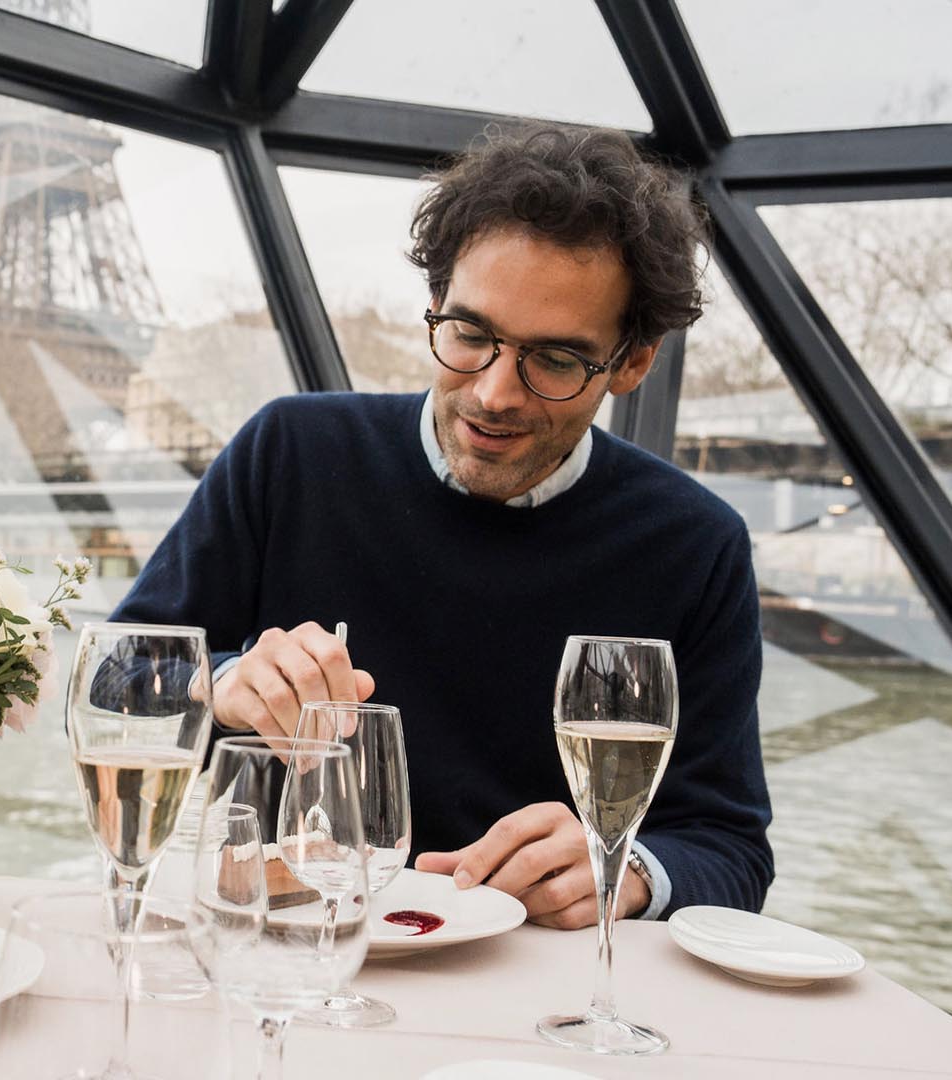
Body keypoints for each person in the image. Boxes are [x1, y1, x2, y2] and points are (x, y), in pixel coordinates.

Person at [111, 123, 774, 927]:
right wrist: (220, 679)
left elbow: (729, 846)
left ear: (633, 363)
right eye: (469, 334)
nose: (496, 392)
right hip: (283, 942)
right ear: (433, 306)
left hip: (536, 993)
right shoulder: (290, 449)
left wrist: (629, 870)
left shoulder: (696, 544)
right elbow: (118, 670)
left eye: (557, 360)